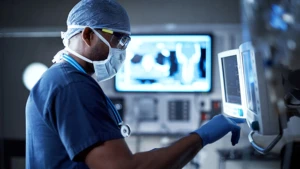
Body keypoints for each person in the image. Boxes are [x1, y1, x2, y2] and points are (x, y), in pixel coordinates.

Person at [25, 0, 242, 168]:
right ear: (89, 34)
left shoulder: (59, 79)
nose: (123, 51)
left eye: (127, 42)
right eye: (119, 40)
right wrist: (202, 137)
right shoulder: (72, 86)